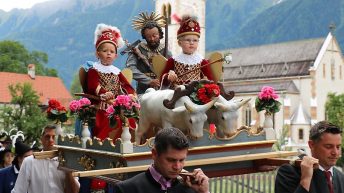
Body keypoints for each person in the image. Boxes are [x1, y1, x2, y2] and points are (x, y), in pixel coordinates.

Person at [113, 127, 210, 193]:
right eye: (171, 160)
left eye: (181, 160)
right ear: (154, 154)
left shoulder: (191, 188)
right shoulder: (126, 189)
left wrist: (204, 192)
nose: (177, 167)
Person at [87, 23, 136, 140]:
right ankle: (107, 143)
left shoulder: (117, 72)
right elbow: (93, 86)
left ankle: (130, 143)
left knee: (131, 119)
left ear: (116, 56)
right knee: (116, 120)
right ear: (97, 54)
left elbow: (127, 85)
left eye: (112, 51)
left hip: (117, 106)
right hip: (101, 107)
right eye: (105, 50)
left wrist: (131, 94)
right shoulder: (93, 70)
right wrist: (104, 93)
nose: (108, 53)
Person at [275, 121, 344, 193]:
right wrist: (305, 180)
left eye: (338, 147)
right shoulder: (289, 172)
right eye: (328, 146)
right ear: (311, 145)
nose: (335, 152)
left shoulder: (341, 177)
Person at [11, 125, 80, 193]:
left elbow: (74, 191)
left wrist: (68, 171)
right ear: (41, 139)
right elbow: (18, 190)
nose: (51, 140)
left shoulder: (68, 161)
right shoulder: (29, 162)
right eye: (47, 137)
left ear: (59, 140)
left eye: (54, 137)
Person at [160, 15, 214, 89]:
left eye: (195, 40)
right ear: (179, 43)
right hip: (176, 94)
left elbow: (211, 80)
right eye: (188, 40)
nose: (191, 43)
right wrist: (168, 76)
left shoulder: (202, 61)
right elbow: (162, 79)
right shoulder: (173, 60)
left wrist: (206, 82)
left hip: (196, 95)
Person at [126, 12, 171, 95]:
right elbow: (131, 68)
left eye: (155, 35)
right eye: (148, 36)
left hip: (162, 89)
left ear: (160, 35)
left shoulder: (165, 50)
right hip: (143, 90)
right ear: (144, 37)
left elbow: (172, 68)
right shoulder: (138, 49)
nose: (152, 39)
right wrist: (148, 80)